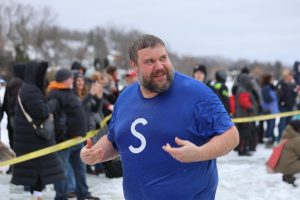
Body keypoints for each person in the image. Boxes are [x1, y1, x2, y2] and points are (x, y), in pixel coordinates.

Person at [80, 34, 239, 200]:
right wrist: (94, 154)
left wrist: (200, 153)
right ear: (135, 66)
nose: (160, 66)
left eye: (163, 58)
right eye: (150, 61)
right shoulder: (126, 96)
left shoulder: (196, 93)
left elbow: (231, 135)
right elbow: (116, 139)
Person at [11, 61, 65, 200]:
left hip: (31, 139)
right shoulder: (31, 90)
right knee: (38, 171)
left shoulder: (29, 88)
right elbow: (41, 111)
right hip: (34, 139)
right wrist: (53, 104)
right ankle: (37, 195)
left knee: (37, 172)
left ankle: (37, 195)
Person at [48, 68, 100, 200]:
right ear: (64, 80)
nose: (73, 80)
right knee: (62, 171)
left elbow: (79, 110)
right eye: (70, 78)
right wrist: (64, 133)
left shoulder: (69, 92)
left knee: (80, 168)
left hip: (77, 140)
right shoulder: (56, 94)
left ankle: (83, 193)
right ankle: (61, 196)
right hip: (65, 141)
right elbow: (57, 116)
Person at [274, 120, 300, 186]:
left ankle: (288, 175)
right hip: (289, 166)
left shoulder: (285, 136)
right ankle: (291, 177)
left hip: (281, 165)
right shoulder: (296, 139)